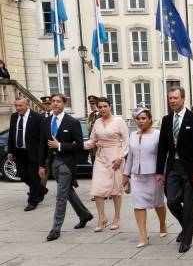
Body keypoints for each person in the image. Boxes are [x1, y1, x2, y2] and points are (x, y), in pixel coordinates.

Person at [156, 86, 193, 254]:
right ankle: (187, 226)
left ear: (183, 99)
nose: (172, 101)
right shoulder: (167, 120)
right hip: (173, 168)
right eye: (170, 98)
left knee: (190, 204)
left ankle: (186, 239)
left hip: (191, 169)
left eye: (175, 98)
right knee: (171, 201)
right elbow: (162, 147)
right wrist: (159, 171)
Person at [39, 94, 93, 241]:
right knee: (68, 191)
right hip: (52, 162)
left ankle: (56, 229)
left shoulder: (72, 122)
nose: (55, 104)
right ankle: (84, 215)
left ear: (64, 104)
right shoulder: (46, 121)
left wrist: (60, 145)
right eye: (53, 102)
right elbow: (43, 145)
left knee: (61, 195)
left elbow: (80, 145)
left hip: (66, 163)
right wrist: (41, 165)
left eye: (58, 101)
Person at [123, 107, 167, 248]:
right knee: (138, 204)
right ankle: (143, 235)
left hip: (154, 175)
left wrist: (162, 173)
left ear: (150, 120)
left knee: (158, 203)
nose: (140, 121)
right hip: (136, 175)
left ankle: (162, 224)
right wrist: (126, 174)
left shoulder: (158, 135)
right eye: (138, 118)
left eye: (143, 118)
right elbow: (130, 156)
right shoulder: (133, 135)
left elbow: (162, 156)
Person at [83, 97, 129, 232]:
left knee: (116, 190)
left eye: (105, 106)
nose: (102, 109)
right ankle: (101, 217)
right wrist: (78, 145)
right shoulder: (97, 122)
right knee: (97, 189)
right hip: (100, 156)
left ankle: (117, 217)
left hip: (115, 156)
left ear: (110, 107)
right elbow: (92, 140)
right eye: (100, 107)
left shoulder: (119, 121)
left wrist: (121, 157)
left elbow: (126, 141)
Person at [7, 97, 45, 210]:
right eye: (16, 106)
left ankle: (33, 201)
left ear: (27, 105)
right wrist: (10, 151)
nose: (18, 108)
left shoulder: (37, 117)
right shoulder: (14, 117)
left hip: (33, 152)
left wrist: (43, 154)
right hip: (19, 152)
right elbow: (11, 135)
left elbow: (42, 137)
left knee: (34, 177)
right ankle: (41, 190)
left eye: (20, 106)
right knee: (21, 174)